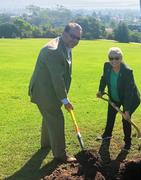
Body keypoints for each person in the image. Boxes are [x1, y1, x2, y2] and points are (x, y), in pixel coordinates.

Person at [28, 22, 82, 163]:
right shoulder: (54, 50)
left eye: (78, 38)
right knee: (56, 120)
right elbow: (57, 79)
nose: (75, 40)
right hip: (45, 92)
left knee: (49, 118)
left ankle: (46, 145)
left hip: (48, 91)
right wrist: (65, 100)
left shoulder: (64, 46)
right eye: (72, 36)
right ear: (64, 33)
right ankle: (60, 154)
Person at [96, 47, 140, 153]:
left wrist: (127, 110)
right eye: (111, 58)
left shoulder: (127, 72)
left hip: (130, 99)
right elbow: (103, 79)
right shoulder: (107, 66)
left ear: (121, 58)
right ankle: (107, 134)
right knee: (110, 115)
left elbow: (129, 92)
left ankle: (128, 142)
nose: (113, 61)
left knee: (125, 119)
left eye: (116, 58)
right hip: (114, 98)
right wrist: (100, 90)